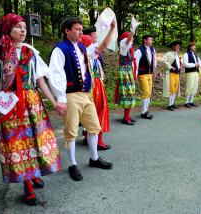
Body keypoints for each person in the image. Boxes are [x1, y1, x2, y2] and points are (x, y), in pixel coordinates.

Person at [0, 14, 61, 206]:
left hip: (32, 103)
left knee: (37, 141)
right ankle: (28, 185)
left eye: (24, 27)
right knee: (18, 146)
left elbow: (39, 80)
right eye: (18, 27)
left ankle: (34, 174)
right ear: (7, 29)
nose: (23, 30)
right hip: (10, 106)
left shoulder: (30, 52)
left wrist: (54, 102)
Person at [48, 16, 113, 182]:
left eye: (81, 30)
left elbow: (103, 46)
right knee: (71, 132)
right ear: (67, 31)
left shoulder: (83, 49)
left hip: (85, 95)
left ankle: (94, 158)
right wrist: (60, 98)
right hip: (70, 96)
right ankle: (72, 164)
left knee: (94, 127)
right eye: (77, 29)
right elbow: (56, 75)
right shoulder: (60, 49)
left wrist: (112, 29)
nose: (80, 32)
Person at [81, 21, 116, 150]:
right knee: (100, 110)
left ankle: (87, 137)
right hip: (95, 84)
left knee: (91, 111)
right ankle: (98, 141)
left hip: (88, 84)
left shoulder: (80, 50)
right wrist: (112, 28)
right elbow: (105, 44)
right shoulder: (90, 50)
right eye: (94, 37)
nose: (96, 39)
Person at [113, 18, 139, 125]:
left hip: (128, 72)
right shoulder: (124, 48)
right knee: (128, 94)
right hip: (125, 73)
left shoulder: (128, 49)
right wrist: (132, 29)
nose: (132, 40)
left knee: (130, 94)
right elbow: (127, 41)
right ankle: (125, 117)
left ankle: (127, 115)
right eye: (131, 38)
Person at [134, 34, 157, 119]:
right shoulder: (139, 50)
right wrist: (135, 75)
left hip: (149, 73)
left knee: (149, 92)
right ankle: (143, 112)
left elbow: (154, 61)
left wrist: (153, 70)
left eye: (151, 39)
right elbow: (135, 63)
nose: (151, 41)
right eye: (150, 39)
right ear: (145, 40)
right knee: (146, 92)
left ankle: (146, 110)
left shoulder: (152, 49)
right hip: (142, 74)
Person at [160, 40, 183, 111]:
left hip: (177, 73)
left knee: (175, 88)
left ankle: (172, 103)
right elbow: (162, 61)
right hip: (171, 73)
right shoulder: (169, 53)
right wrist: (170, 67)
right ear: (173, 47)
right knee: (171, 88)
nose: (179, 47)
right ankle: (169, 104)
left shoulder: (177, 54)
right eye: (177, 45)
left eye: (179, 45)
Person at [183, 42, 201, 108]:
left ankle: (191, 101)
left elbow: (200, 62)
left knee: (195, 86)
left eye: (195, 46)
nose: (194, 47)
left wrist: (199, 64)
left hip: (196, 72)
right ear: (189, 47)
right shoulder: (186, 54)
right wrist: (194, 64)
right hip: (190, 72)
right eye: (193, 46)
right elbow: (185, 64)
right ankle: (186, 101)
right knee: (189, 86)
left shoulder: (195, 55)